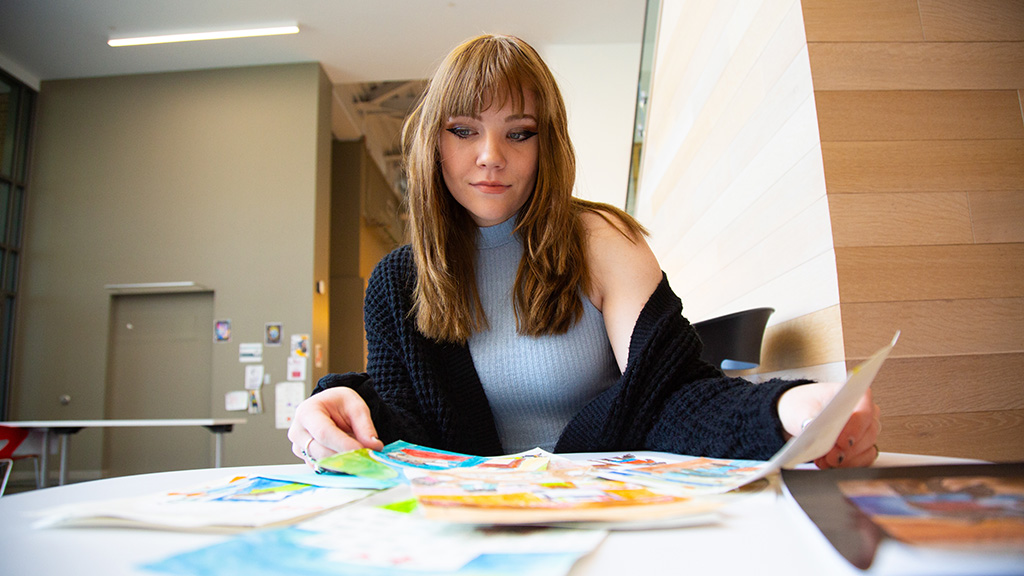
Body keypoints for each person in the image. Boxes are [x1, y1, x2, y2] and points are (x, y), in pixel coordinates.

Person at [289, 34, 880, 470]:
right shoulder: (398, 282)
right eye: (464, 130)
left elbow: (672, 393)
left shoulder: (603, 242)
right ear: (432, 144)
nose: (491, 155)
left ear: (547, 146)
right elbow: (401, 430)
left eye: (519, 133)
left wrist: (790, 409)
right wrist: (342, 405)